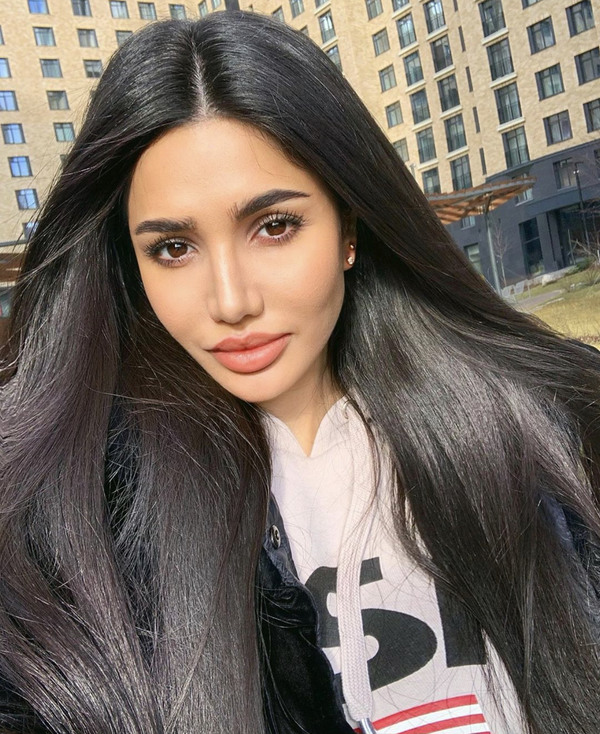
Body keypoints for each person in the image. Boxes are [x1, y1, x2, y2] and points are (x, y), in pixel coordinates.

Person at [1, 10, 600, 734]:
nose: (231, 301)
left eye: (274, 226)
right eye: (174, 249)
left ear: (348, 225)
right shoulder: (85, 521)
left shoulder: (546, 425)